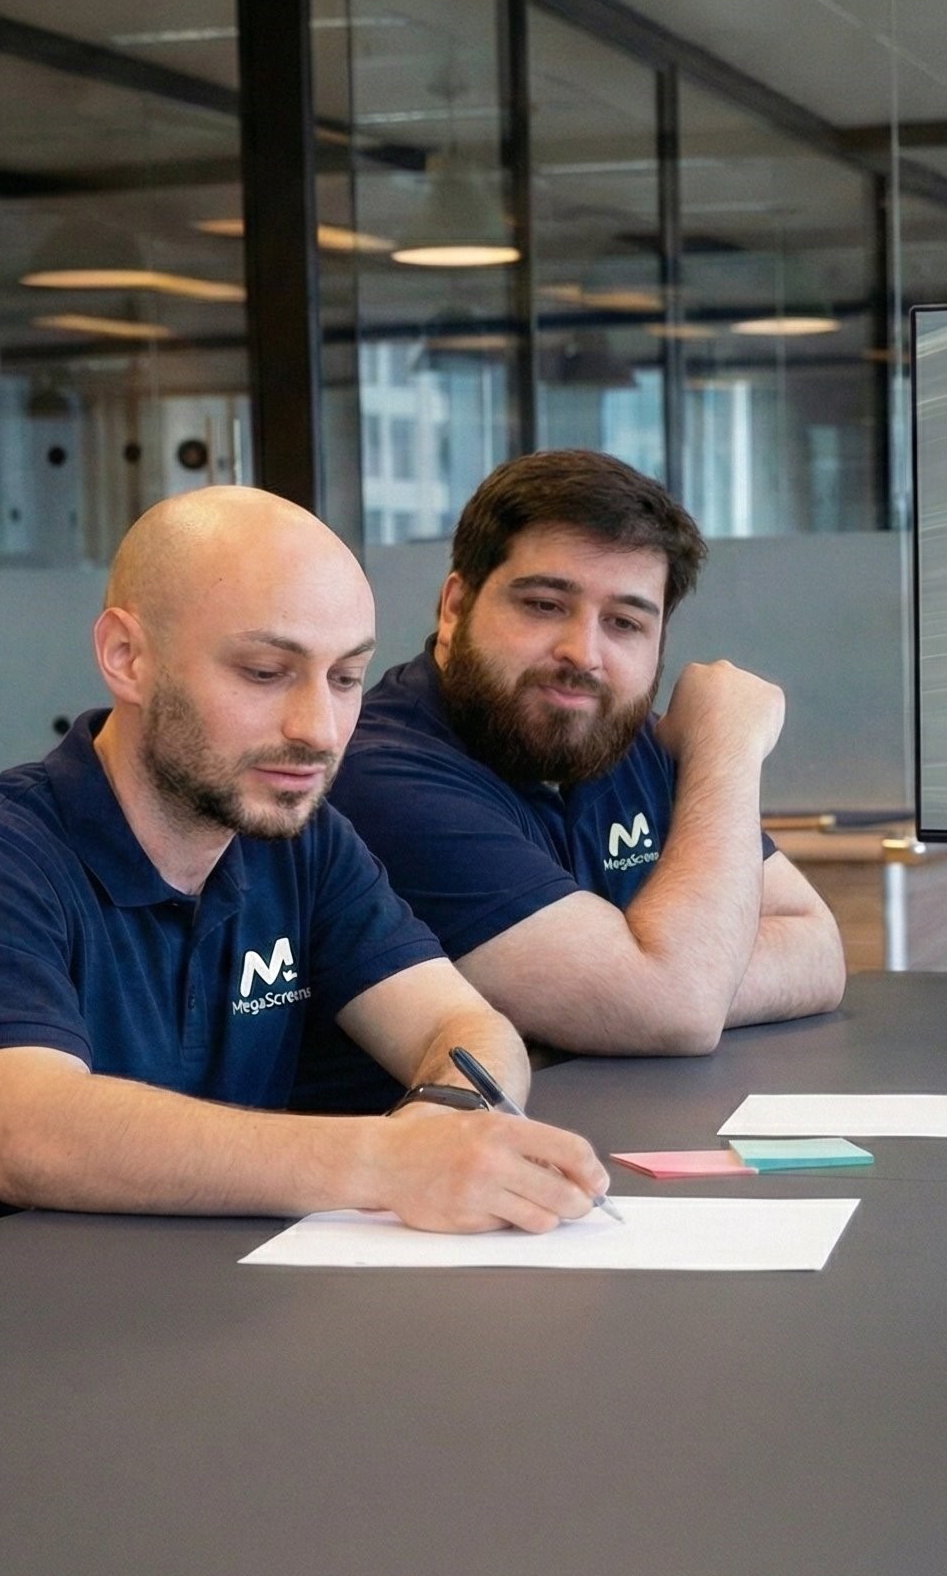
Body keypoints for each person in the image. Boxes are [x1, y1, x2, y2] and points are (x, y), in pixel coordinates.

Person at [0, 487, 611, 1264]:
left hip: (191, 1316)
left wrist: (446, 1121)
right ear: (126, 658)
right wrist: (392, 1163)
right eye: (265, 672)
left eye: (346, 679)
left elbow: (465, 1029)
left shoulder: (300, 844)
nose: (316, 730)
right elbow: (33, 1133)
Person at [288, 449, 845, 1114]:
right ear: (455, 607)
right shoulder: (381, 772)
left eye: (626, 623)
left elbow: (817, 945)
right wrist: (728, 750)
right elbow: (673, 1007)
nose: (583, 655)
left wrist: (670, 971)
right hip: (384, 1197)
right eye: (546, 604)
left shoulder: (621, 735)